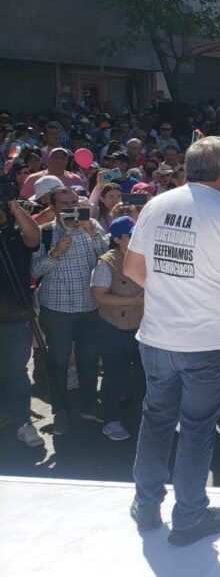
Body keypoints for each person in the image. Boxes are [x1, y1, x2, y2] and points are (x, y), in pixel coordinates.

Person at [123, 136, 220, 546]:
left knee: (155, 422)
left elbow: (134, 269)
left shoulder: (156, 204)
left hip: (156, 337)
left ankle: (146, 506)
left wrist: (174, 289)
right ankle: (189, 516)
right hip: (207, 343)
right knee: (196, 430)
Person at [31, 185, 108, 434]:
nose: (71, 207)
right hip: (57, 310)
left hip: (88, 307)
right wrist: (55, 253)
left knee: (88, 361)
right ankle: (60, 410)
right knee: (58, 362)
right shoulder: (43, 234)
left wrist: (92, 233)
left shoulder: (91, 226)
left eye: (75, 201)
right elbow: (33, 272)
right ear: (53, 207)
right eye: (64, 204)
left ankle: (88, 404)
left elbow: (110, 257)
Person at [90, 216, 144, 442]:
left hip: (144, 328)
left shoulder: (145, 258)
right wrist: (134, 301)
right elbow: (98, 296)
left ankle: (144, 419)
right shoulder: (107, 262)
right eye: (131, 235)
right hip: (115, 328)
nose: (136, 239)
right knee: (114, 375)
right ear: (118, 239)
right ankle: (110, 420)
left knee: (145, 376)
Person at [0, 189, 42, 447]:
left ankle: (22, 423)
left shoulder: (15, 237)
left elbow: (34, 236)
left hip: (16, 319)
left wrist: (14, 206)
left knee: (16, 373)